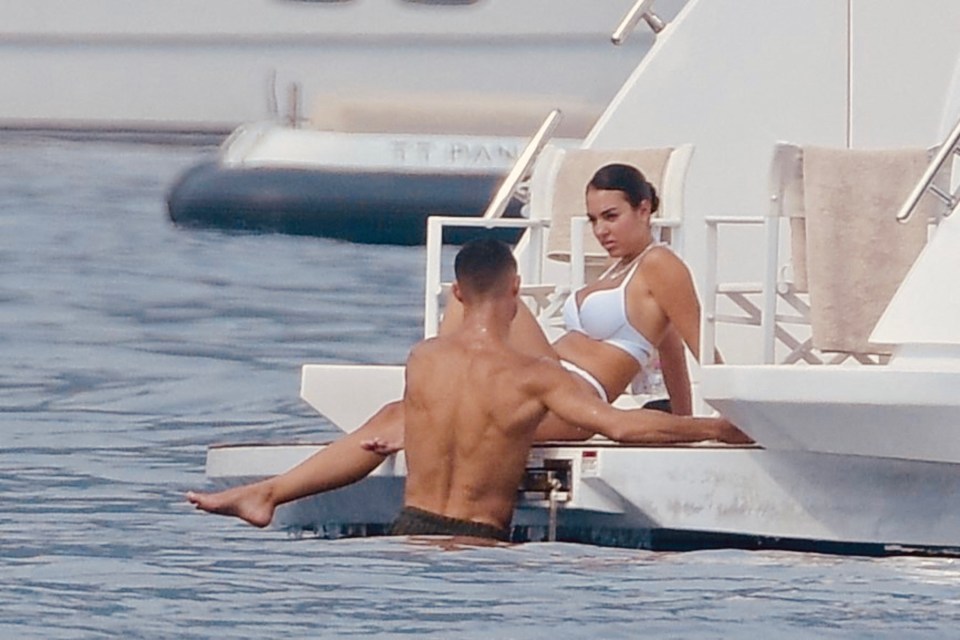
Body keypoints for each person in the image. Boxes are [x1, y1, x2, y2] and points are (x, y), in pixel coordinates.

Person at [187, 163, 752, 529]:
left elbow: (696, 344)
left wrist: (726, 421)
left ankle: (274, 491)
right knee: (472, 288)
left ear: (644, 210)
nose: (602, 230)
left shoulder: (661, 265)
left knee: (475, 298)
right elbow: (668, 346)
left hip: (571, 393)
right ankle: (273, 490)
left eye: (612, 216)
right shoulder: (620, 269)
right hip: (548, 372)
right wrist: (684, 414)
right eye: (593, 219)